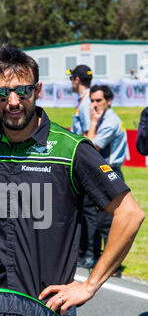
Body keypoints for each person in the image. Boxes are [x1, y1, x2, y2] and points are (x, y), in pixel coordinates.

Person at [0, 45, 144, 316]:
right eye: (2, 93)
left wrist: (89, 285)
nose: (14, 102)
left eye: (23, 91)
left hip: (48, 310)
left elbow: (130, 214)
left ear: (37, 91)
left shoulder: (70, 148)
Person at [87, 84, 129, 277]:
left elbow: (91, 148)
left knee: (107, 223)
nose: (94, 105)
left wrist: (93, 123)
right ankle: (103, 262)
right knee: (100, 221)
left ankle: (113, 267)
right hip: (104, 173)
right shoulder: (106, 118)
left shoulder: (110, 121)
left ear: (108, 101)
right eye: (92, 100)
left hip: (110, 173)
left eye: (99, 101)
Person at [68, 65, 96, 269]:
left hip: (83, 164)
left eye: (71, 79)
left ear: (77, 80)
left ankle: (87, 252)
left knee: (87, 211)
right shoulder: (84, 101)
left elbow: (88, 135)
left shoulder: (86, 103)